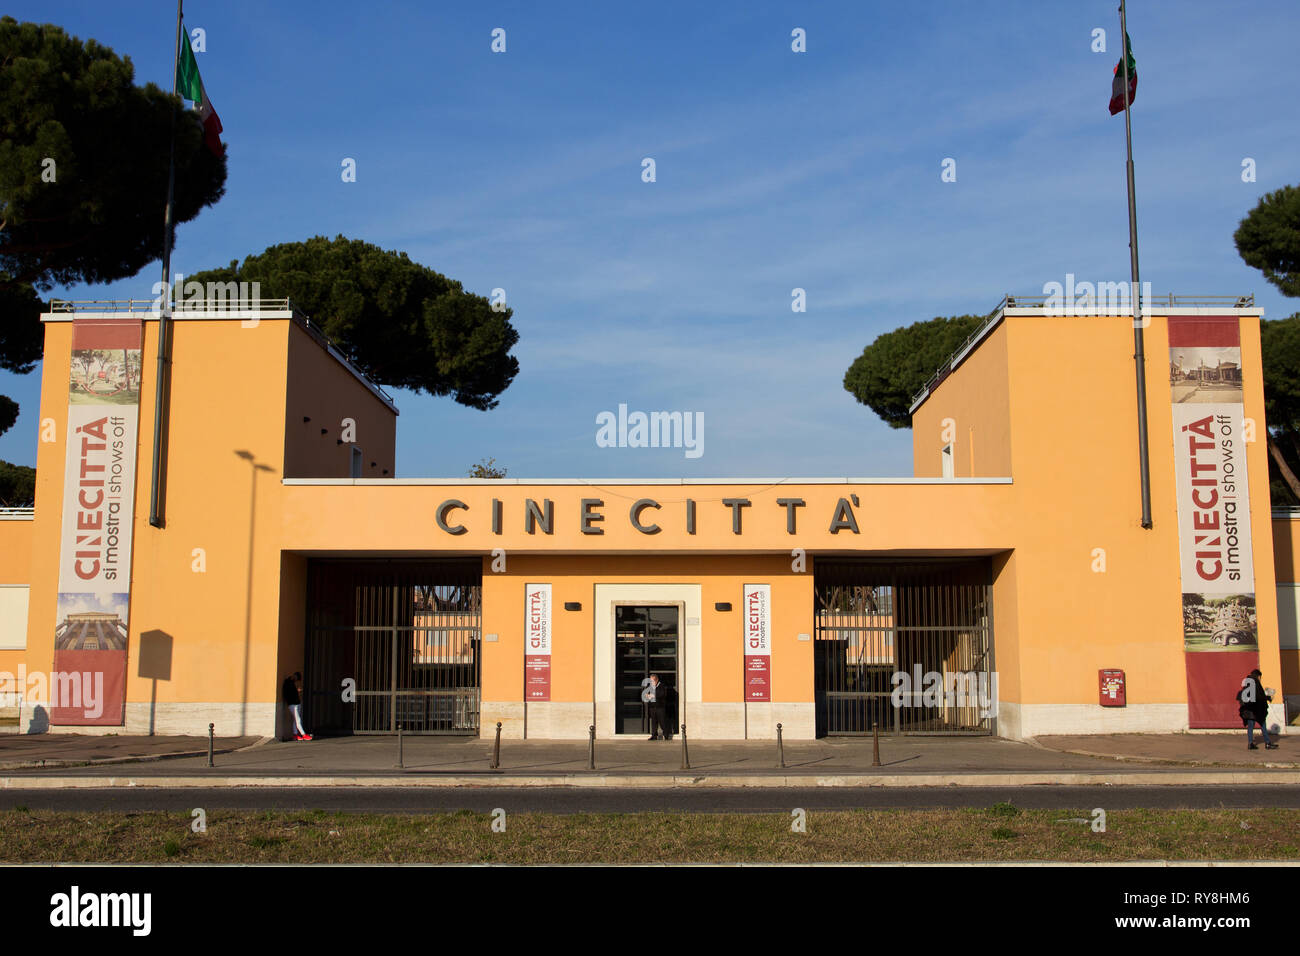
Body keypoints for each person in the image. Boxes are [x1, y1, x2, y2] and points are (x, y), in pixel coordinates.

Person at [1237, 668, 1277, 751]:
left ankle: (1250, 743)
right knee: (1263, 725)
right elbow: (1258, 696)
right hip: (1256, 710)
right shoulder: (1255, 683)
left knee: (1251, 727)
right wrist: (1267, 697)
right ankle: (1267, 743)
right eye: (1260, 677)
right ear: (1258, 676)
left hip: (1248, 710)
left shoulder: (1247, 683)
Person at [283, 671, 312, 741]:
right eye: (296, 678)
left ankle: (295, 735)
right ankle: (303, 734)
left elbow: (291, 692)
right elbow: (289, 693)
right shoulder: (288, 683)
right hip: (293, 704)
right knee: (298, 719)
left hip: (295, 703)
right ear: (294, 676)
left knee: (295, 720)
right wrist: (297, 691)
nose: (296, 680)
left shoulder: (290, 682)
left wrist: (296, 691)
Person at [646, 674, 671, 741]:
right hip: (652, 707)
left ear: (656, 680)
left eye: (652, 681)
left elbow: (662, 694)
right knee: (654, 722)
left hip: (660, 707)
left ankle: (666, 735)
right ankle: (654, 735)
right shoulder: (650, 686)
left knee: (662, 722)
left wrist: (652, 695)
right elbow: (647, 693)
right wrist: (647, 695)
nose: (651, 682)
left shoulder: (662, 686)